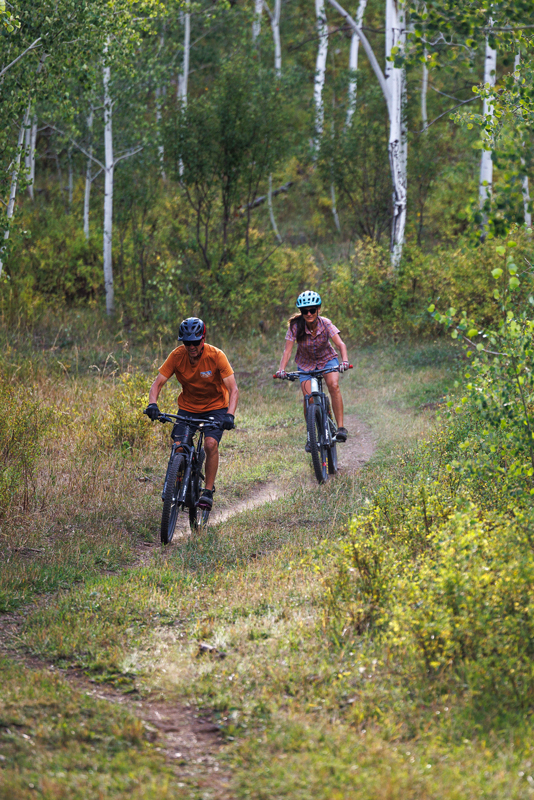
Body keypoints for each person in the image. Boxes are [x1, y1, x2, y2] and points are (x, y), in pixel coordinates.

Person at [145, 317, 239, 511]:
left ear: (203, 339)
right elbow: (157, 383)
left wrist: (230, 415)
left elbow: (233, 389)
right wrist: (152, 404)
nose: (191, 346)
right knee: (179, 447)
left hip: (216, 407)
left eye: (195, 342)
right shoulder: (177, 356)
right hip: (188, 407)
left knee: (210, 444)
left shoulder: (216, 356)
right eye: (187, 342)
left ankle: (207, 491)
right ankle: (176, 482)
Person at [275, 290, 349, 448]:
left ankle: (341, 428)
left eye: (312, 310)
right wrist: (281, 369)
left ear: (318, 309)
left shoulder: (326, 323)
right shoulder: (295, 327)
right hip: (305, 363)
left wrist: (345, 361)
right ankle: (311, 436)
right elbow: (287, 351)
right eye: (304, 311)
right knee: (308, 398)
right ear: (301, 312)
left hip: (327, 360)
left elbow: (340, 344)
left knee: (333, 386)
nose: (309, 313)